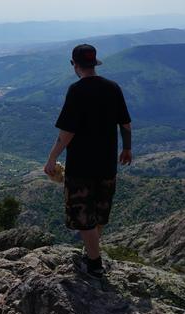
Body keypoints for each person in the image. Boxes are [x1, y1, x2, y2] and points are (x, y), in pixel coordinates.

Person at [44, 44, 132, 278]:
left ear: (75, 64)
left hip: (81, 165)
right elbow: (125, 124)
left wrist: (52, 157)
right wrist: (127, 148)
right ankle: (90, 253)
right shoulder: (113, 88)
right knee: (99, 213)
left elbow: (67, 132)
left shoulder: (76, 90)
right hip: (106, 163)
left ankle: (94, 263)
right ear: (94, 63)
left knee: (83, 216)